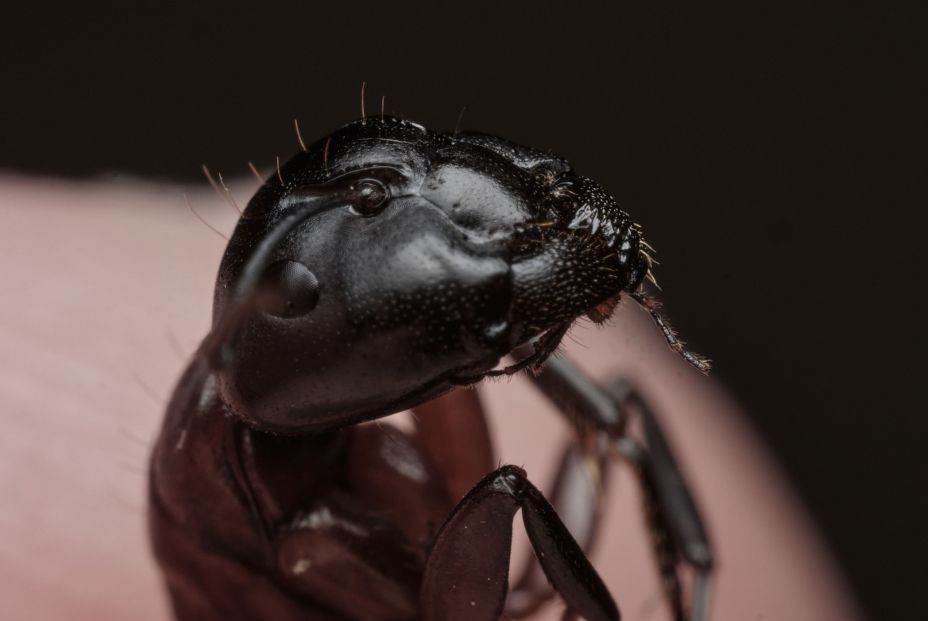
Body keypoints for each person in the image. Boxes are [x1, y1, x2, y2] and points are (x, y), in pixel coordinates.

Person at [0, 175, 861, 620]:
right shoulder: (295, 534)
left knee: (610, 414)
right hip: (274, 519)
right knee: (514, 486)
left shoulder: (333, 496)